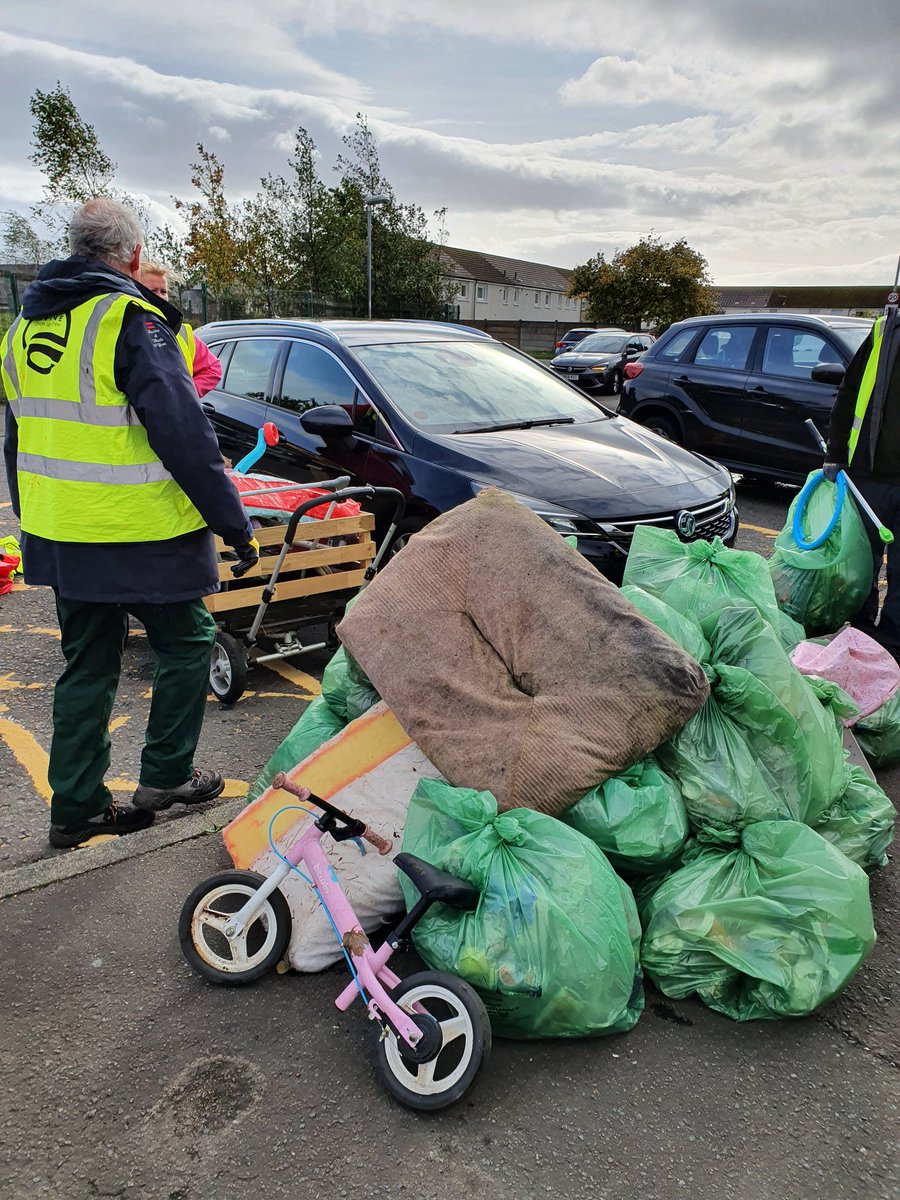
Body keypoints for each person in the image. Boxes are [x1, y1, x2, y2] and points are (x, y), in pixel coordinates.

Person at [0, 197, 259, 849]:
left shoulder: (21, 331)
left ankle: (77, 809)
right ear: (133, 255)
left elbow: (15, 438)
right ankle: (167, 776)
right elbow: (184, 434)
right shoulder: (129, 320)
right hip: (140, 535)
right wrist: (233, 523)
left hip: (63, 536)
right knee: (189, 641)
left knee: (86, 667)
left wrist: (34, 520)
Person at [826, 304, 900, 657]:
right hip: (869, 476)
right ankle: (860, 636)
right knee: (861, 566)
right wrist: (835, 454)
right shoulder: (884, 331)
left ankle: (892, 649)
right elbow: (849, 392)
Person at [138, 260, 222, 397]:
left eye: (163, 291)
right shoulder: (128, 330)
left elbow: (213, 368)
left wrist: (186, 395)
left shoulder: (182, 332)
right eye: (152, 291)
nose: (160, 296)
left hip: (176, 417)